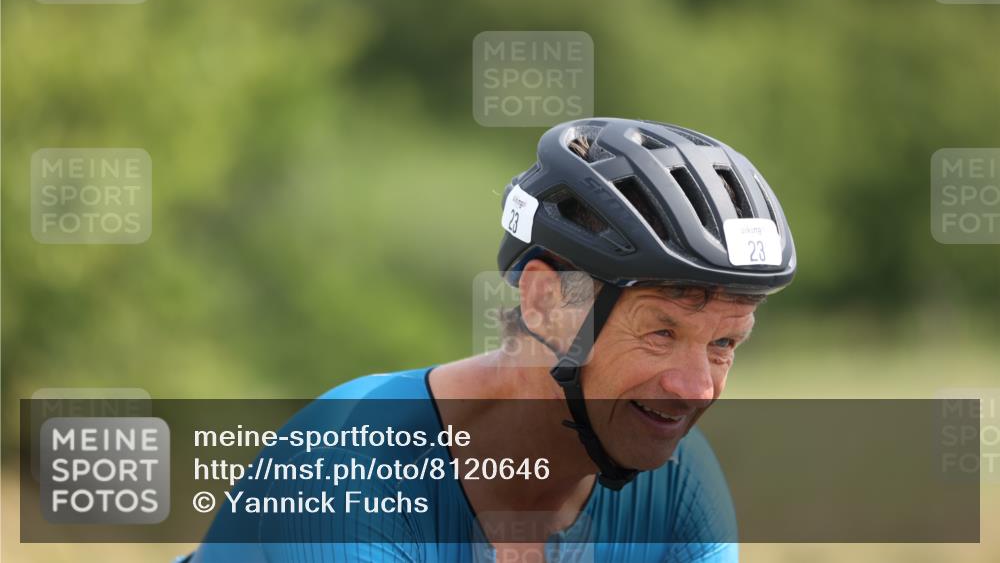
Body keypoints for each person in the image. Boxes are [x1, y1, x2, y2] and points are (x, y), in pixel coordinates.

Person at [185, 117, 796, 562]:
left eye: (724, 344)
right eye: (662, 332)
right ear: (547, 303)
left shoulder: (680, 481)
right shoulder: (350, 467)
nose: (697, 388)